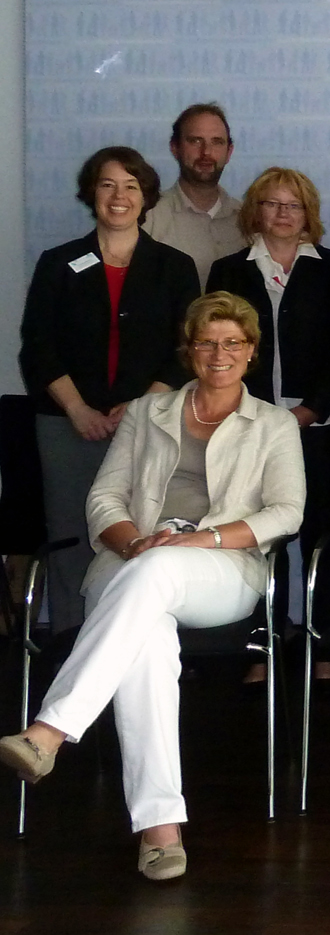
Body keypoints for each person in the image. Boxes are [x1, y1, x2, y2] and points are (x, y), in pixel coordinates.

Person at [0, 292, 305, 881]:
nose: (219, 353)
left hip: (222, 565)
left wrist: (200, 541)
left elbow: (286, 512)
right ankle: (160, 830)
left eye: (233, 342)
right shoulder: (146, 412)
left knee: (159, 571)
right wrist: (134, 544)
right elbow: (104, 499)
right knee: (149, 642)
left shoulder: (273, 424)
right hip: (131, 562)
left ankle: (50, 731)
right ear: (189, 350)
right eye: (206, 342)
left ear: (251, 351)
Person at [18, 146, 200, 635]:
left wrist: (140, 407)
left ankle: (139, 642)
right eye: (107, 184)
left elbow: (186, 349)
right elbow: (38, 347)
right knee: (73, 535)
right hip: (66, 424)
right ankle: (71, 643)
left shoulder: (175, 267)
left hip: (150, 422)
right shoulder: (59, 263)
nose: (119, 196)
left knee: (146, 531)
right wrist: (78, 410)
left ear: (146, 196)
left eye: (131, 186)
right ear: (91, 193)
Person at [206, 167, 330, 682]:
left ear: (308, 214)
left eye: (293, 205)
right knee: (256, 536)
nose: (282, 214)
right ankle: (261, 647)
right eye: (272, 204)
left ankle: (325, 647)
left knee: (324, 537)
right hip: (248, 424)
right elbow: (218, 348)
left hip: (323, 423)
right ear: (256, 211)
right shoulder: (229, 271)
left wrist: (308, 411)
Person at [142, 102, 245, 283]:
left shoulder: (249, 220)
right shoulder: (148, 218)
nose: (206, 152)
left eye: (217, 142)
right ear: (175, 148)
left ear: (229, 152)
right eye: (195, 141)